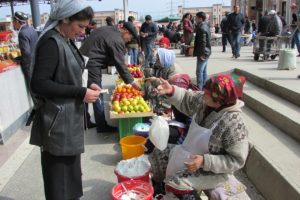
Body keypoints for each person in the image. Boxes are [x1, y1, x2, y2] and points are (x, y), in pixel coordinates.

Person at [29, 1, 96, 199]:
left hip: (66, 122)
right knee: (60, 181)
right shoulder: (51, 42)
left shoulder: (63, 39)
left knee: (70, 177)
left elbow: (67, 75)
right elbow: (39, 84)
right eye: (80, 26)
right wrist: (80, 92)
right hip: (57, 124)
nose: (82, 31)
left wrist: (86, 87)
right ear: (65, 19)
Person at [150, 73, 250, 199]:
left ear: (220, 99)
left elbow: (236, 160)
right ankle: (158, 186)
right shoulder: (205, 103)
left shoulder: (234, 124)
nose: (203, 94)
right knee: (158, 153)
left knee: (178, 184)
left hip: (212, 170)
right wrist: (171, 90)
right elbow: (188, 97)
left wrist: (205, 161)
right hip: (190, 154)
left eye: (207, 93)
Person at [80, 21, 139, 133]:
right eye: (130, 36)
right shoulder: (117, 40)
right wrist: (132, 82)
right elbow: (120, 65)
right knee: (97, 93)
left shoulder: (109, 30)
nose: (130, 39)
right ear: (126, 31)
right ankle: (101, 126)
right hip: (92, 64)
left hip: (83, 60)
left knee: (85, 90)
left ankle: (85, 121)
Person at [12, 11, 38, 90]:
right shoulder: (32, 29)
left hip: (29, 66)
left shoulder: (22, 33)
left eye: (13, 21)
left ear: (17, 21)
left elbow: (26, 53)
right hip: (36, 62)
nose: (13, 23)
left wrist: (20, 61)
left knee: (34, 90)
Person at [193, 12, 211, 90]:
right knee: (204, 71)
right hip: (207, 51)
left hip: (203, 52)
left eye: (196, 18)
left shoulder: (201, 27)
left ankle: (200, 88)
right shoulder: (206, 25)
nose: (195, 19)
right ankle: (204, 87)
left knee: (199, 71)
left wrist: (202, 54)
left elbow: (203, 42)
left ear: (200, 18)